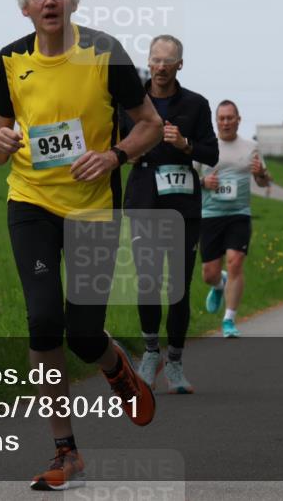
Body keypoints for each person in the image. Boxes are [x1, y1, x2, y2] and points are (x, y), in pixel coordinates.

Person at [0, 0, 163, 491]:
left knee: (83, 333)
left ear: (73, 1)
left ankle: (115, 365)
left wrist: (113, 157)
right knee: (43, 322)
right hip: (30, 201)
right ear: (25, 6)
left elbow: (150, 125)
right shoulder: (11, 60)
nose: (49, 1)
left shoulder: (105, 54)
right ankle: (66, 452)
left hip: (91, 208)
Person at [122, 35, 218, 395]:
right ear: (148, 61)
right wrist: (125, 153)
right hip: (144, 199)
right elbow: (113, 142)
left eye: (168, 60)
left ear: (180, 65)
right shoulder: (130, 101)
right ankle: (150, 353)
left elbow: (210, 153)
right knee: (147, 281)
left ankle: (175, 362)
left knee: (177, 286)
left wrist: (185, 145)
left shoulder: (195, 104)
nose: (161, 66)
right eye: (155, 59)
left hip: (182, 205)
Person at [196, 100, 270, 337]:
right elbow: (189, 180)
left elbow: (263, 181)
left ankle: (229, 320)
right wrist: (203, 183)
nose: (226, 122)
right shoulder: (205, 147)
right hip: (210, 215)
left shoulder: (251, 147)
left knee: (236, 261)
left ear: (239, 119)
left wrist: (261, 173)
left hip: (239, 214)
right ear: (216, 121)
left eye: (230, 118)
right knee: (209, 273)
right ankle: (219, 284)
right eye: (222, 118)